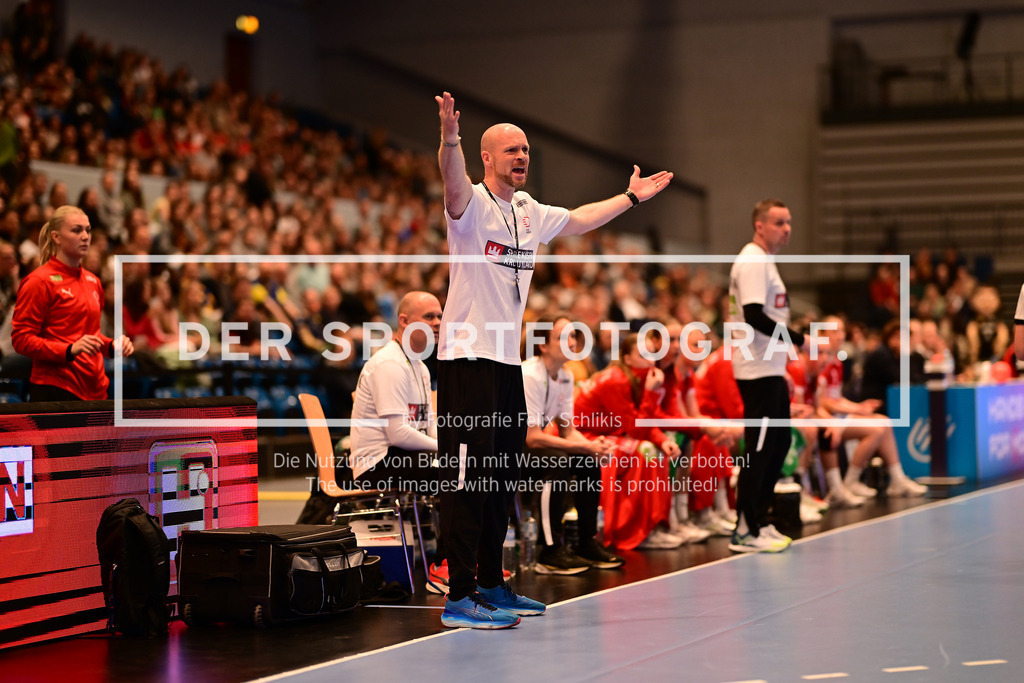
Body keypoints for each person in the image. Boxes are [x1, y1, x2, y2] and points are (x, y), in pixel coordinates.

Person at [434, 91, 673, 629]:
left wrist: (629, 199)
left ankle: (492, 586)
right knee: (468, 480)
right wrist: (450, 139)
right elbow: (451, 182)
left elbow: (582, 219)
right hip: (466, 360)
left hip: (505, 366)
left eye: (525, 149)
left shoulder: (528, 210)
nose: (521, 156)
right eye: (510, 150)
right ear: (487, 158)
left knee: (501, 479)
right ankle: (459, 598)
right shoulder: (470, 206)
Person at [726, 199, 805, 553]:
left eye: (788, 222)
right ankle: (745, 528)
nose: (786, 228)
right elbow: (754, 316)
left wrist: (781, 364)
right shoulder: (754, 260)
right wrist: (797, 339)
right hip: (755, 369)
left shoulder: (765, 261)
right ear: (760, 225)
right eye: (778, 222)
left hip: (769, 367)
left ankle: (758, 519)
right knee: (759, 448)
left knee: (779, 444)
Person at [521, 314, 622, 575]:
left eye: (574, 336)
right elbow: (531, 438)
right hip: (507, 452)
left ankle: (585, 542)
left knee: (588, 461)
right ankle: (549, 551)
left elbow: (567, 430)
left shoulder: (565, 376)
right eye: (563, 337)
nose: (573, 342)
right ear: (543, 345)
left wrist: (593, 446)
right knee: (558, 462)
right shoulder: (530, 374)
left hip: (534, 448)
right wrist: (586, 446)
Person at [11, 205, 134, 401]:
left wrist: (112, 346)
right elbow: (21, 339)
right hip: (56, 389)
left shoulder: (93, 281)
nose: (85, 236)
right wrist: (68, 350)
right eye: (76, 230)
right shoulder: (39, 281)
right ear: (56, 237)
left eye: (88, 230)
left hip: (95, 390)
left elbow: (90, 336)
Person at [574, 332, 683, 550]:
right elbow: (635, 429)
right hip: (585, 437)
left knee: (656, 450)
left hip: (613, 434)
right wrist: (651, 394)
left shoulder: (642, 378)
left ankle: (654, 525)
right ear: (627, 359)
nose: (651, 360)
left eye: (653, 354)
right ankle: (635, 530)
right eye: (643, 354)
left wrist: (662, 439)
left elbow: (640, 421)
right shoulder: (616, 380)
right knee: (644, 451)